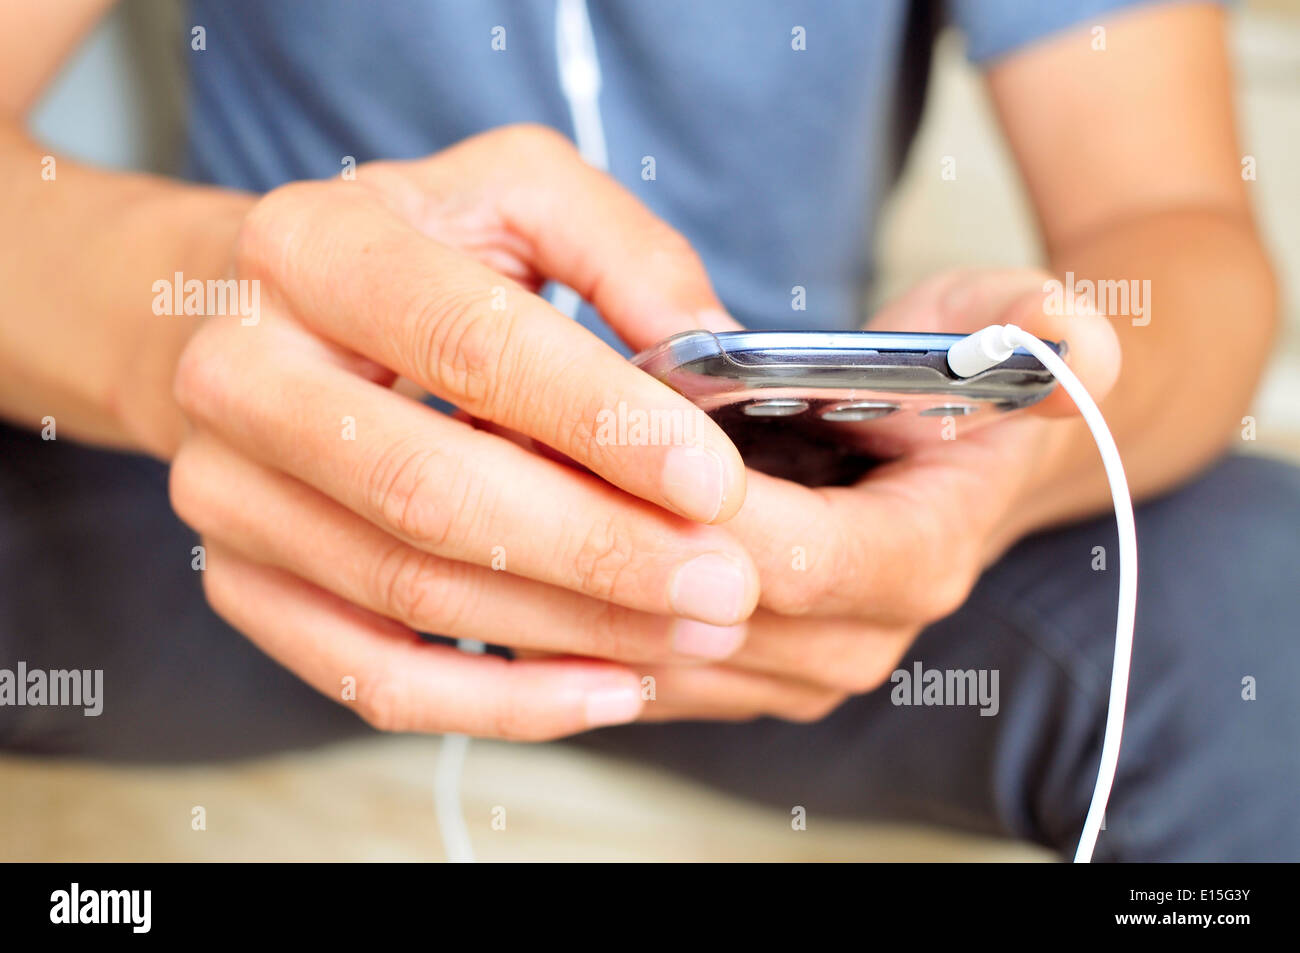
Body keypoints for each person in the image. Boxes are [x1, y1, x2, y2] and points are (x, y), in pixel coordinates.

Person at [1, 0, 1296, 860]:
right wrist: (181, 328)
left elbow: (1178, 224)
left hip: (791, 549)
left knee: (1272, 619)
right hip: (251, 498)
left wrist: (1025, 453)